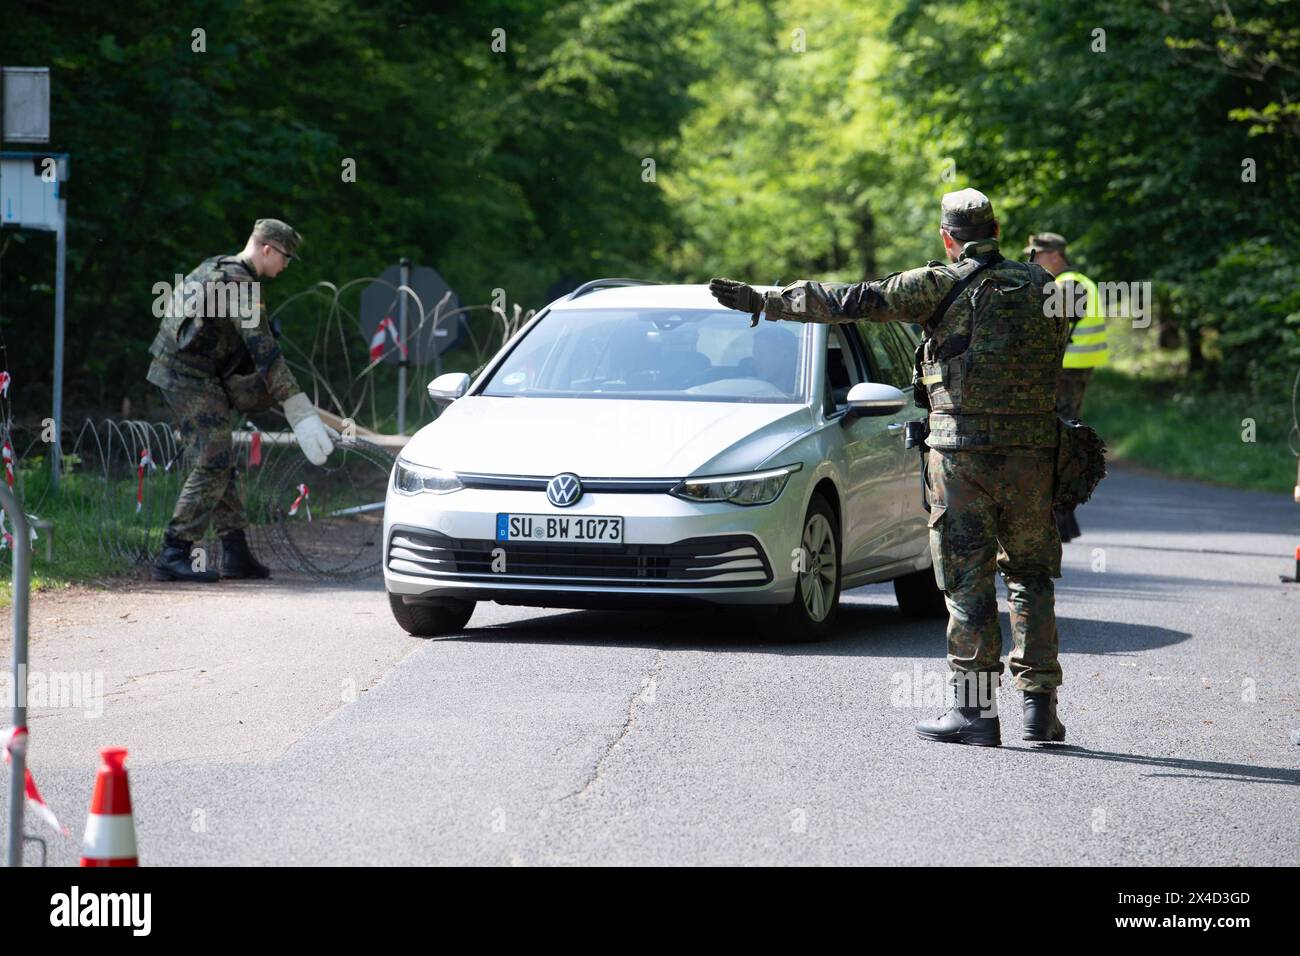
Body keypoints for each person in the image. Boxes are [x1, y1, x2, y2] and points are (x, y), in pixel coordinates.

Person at [709, 189, 1071, 746]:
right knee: (1030, 576)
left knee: (967, 580)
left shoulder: (936, 284)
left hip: (962, 455)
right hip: (1033, 456)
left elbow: (850, 300)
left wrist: (768, 302)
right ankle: (1039, 713)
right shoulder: (1044, 287)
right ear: (996, 230)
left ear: (948, 237)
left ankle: (975, 715)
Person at [146, 219, 334, 583]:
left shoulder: (214, 265)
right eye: (286, 258)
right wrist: (297, 407)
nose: (285, 266)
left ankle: (235, 552)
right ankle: (174, 552)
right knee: (213, 462)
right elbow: (265, 352)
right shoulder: (239, 286)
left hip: (186, 373)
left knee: (222, 461)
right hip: (188, 378)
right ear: (267, 249)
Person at [1024, 232, 1108, 542]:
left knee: (1056, 440)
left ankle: (1061, 515)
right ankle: (1061, 516)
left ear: (1055, 255)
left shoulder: (1069, 283)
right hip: (1070, 370)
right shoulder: (1073, 282)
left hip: (1066, 371)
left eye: (1037, 255)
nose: (1032, 261)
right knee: (1061, 438)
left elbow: (1053, 325)